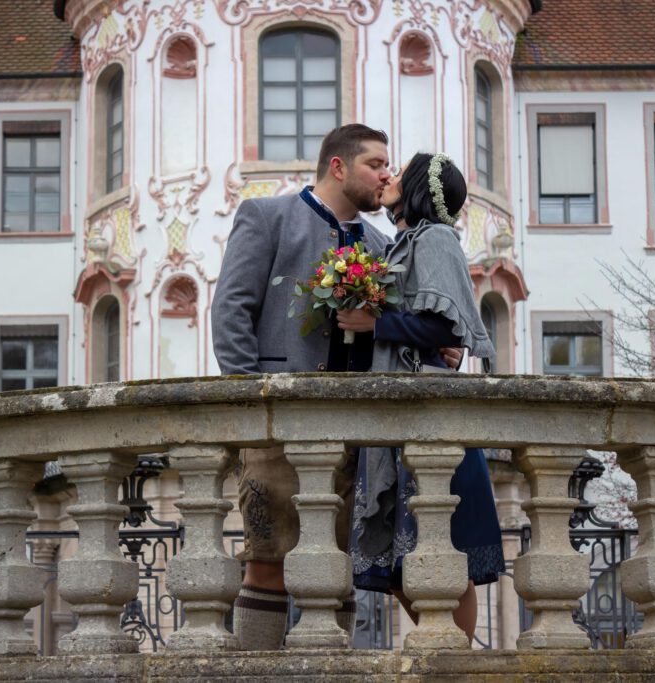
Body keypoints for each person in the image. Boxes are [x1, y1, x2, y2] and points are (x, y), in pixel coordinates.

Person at [211, 123, 394, 650]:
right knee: (265, 564)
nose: (386, 175)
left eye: (386, 165)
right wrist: (253, 404)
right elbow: (231, 313)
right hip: (276, 427)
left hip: (356, 438)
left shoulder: (381, 244)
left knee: (337, 571)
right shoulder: (268, 217)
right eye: (375, 164)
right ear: (338, 166)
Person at [336, 152, 505, 641]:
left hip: (429, 417)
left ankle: (457, 661)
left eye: (400, 172)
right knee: (398, 562)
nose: (389, 177)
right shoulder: (402, 244)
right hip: (397, 415)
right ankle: (454, 652)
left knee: (445, 556)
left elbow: (445, 324)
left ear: (418, 189)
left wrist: (376, 322)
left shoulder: (434, 239)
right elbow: (432, 327)